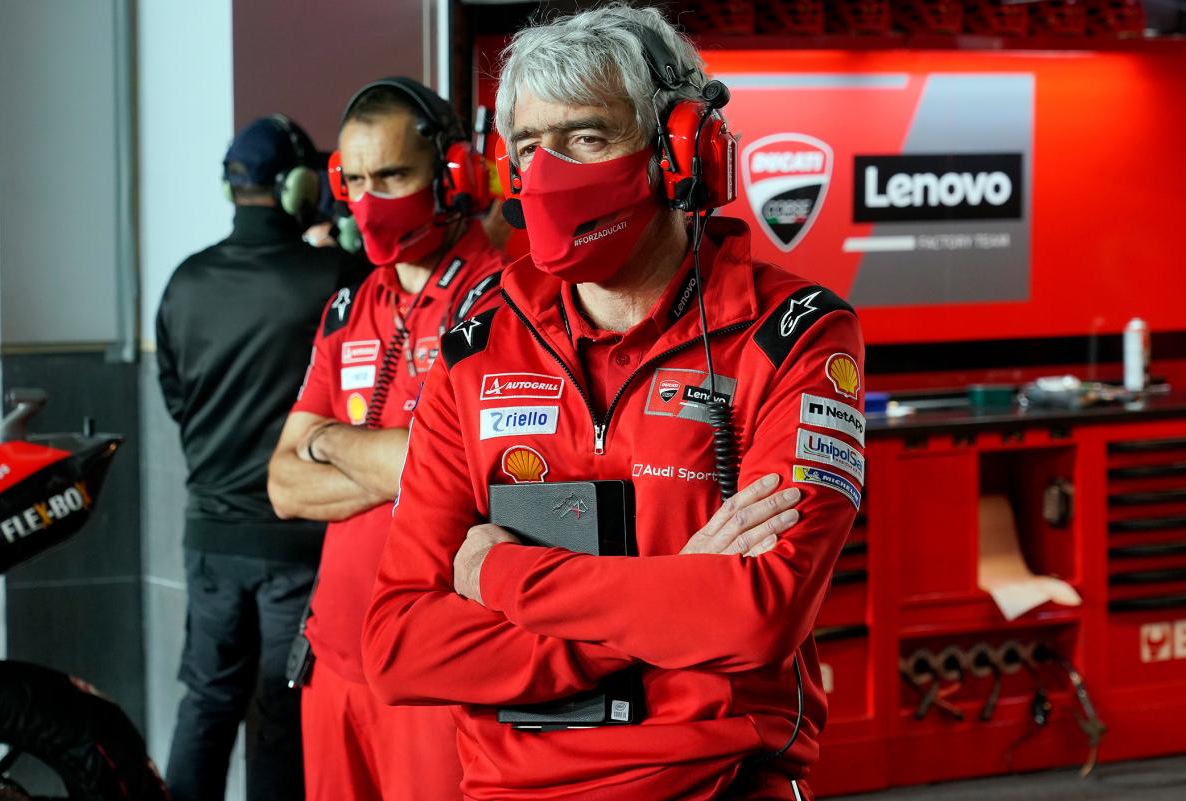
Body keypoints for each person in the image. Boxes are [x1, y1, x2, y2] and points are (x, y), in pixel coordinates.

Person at [361, 7, 865, 801]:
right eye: (530, 147)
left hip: (716, 783)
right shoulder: (475, 350)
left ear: (682, 148)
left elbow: (758, 616)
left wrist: (502, 574)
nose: (549, 173)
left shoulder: (794, 332)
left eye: (587, 137)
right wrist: (674, 598)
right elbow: (398, 648)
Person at [266, 77, 506, 801]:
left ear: (454, 175)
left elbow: (456, 471)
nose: (371, 201)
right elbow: (282, 486)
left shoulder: (503, 300)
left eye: (395, 176)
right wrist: (399, 463)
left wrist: (327, 440)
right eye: (358, 181)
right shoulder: (352, 302)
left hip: (436, 679)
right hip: (332, 666)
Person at [156, 113, 367, 801]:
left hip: (210, 535)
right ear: (300, 186)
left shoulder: (184, 281)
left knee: (207, 701)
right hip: (296, 539)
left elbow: (176, 399)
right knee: (281, 710)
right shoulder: (333, 276)